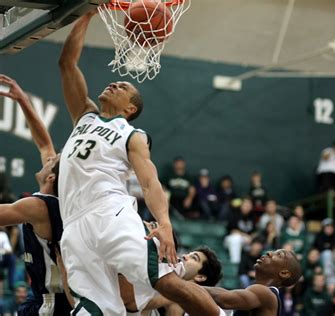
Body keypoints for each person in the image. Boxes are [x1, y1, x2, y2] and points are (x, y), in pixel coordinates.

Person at [58, 12, 219, 316]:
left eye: (123, 87)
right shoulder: (85, 115)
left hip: (110, 213)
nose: (114, 84)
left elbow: (149, 182)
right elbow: (67, 63)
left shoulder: (132, 134)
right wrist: (88, 13)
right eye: (115, 82)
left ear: (130, 108)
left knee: (163, 281)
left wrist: (165, 224)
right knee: (92, 310)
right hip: (74, 224)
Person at [0, 74, 70, 314]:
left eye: (51, 163)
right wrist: (22, 101)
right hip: (45, 297)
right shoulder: (58, 198)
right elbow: (44, 144)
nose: (48, 159)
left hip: (53, 302)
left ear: (51, 177)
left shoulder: (38, 206)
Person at [204, 249, 302, 316]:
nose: (269, 253)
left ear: (284, 273)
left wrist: (190, 285)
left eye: (279, 255)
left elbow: (224, 299)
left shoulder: (265, 293)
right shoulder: (265, 294)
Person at [224, 197, 257, 263]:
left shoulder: (252, 216)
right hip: (230, 240)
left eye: (249, 205)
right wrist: (246, 236)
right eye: (245, 204)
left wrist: (251, 237)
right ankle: (235, 263)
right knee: (236, 238)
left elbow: (255, 231)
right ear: (241, 205)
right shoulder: (234, 214)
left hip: (246, 241)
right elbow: (233, 231)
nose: (247, 206)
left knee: (257, 245)